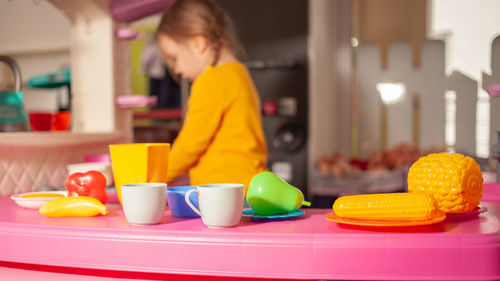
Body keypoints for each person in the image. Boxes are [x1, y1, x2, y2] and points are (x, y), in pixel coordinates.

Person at [156, 0, 267, 192]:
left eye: (174, 58)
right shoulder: (238, 73)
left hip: (225, 193)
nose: (177, 69)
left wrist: (153, 178)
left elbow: (190, 144)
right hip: (249, 187)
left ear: (198, 43)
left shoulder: (212, 80)